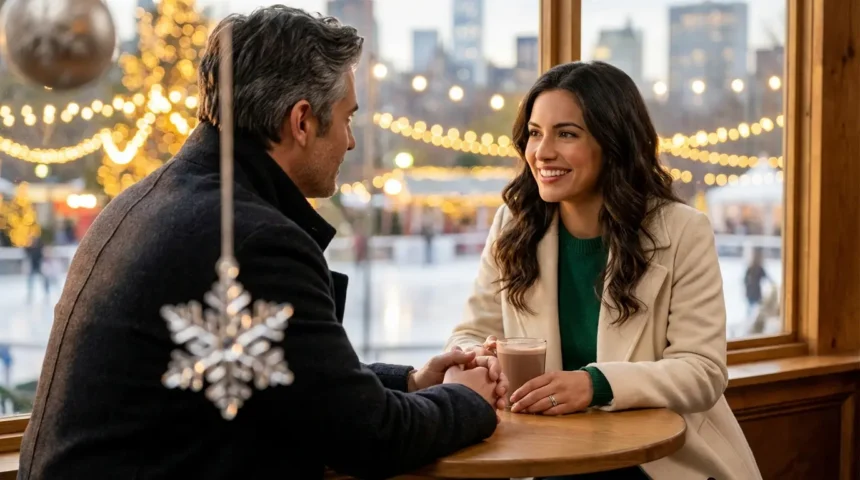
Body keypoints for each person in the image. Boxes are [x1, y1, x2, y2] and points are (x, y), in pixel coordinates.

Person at [19, 7, 506, 480]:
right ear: (301, 121)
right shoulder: (252, 240)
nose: (351, 142)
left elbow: (294, 379)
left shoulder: (149, 200)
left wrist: (412, 382)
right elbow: (370, 438)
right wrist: (468, 398)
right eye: (346, 119)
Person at [446, 61, 762, 480]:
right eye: (535, 133)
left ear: (613, 143)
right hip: (546, 456)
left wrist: (595, 385)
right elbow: (468, 334)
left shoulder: (684, 229)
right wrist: (480, 360)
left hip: (658, 463)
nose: (542, 152)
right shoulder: (513, 223)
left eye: (567, 134)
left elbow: (702, 372)